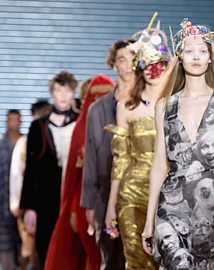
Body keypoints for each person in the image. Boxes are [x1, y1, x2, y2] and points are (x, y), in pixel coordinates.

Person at [142, 18, 214, 270]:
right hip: (170, 203)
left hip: (208, 207)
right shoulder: (164, 106)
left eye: (202, 50)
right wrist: (149, 220)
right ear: (179, 57)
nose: (196, 56)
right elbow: (159, 164)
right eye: (189, 51)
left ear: (210, 58)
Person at [104, 21, 172, 270]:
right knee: (134, 260)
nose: (154, 70)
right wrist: (111, 207)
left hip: (169, 196)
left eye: (160, 64)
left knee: (165, 260)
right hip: (131, 193)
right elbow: (119, 160)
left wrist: (162, 39)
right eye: (148, 65)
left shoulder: (176, 106)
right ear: (140, 68)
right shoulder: (126, 108)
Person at [45, 75, 115, 270]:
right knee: (94, 256)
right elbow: (74, 176)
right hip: (87, 202)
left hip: (119, 198)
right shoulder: (81, 128)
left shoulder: (125, 120)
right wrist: (74, 210)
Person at [80, 38, 135, 270]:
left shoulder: (152, 104)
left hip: (140, 194)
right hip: (105, 197)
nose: (128, 64)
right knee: (111, 259)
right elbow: (90, 159)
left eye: (133, 58)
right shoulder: (97, 109)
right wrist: (89, 205)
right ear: (114, 65)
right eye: (122, 59)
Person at [19, 71, 79, 266]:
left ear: (73, 92)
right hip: (46, 200)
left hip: (74, 198)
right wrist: (28, 208)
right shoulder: (39, 126)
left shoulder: (80, 123)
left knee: (73, 253)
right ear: (52, 93)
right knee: (46, 251)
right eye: (58, 90)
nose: (63, 95)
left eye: (67, 90)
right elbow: (31, 170)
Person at [9, 101, 49, 270]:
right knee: (28, 249)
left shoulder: (54, 136)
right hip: (28, 204)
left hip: (49, 203)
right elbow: (16, 174)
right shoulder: (24, 143)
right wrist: (16, 203)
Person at [0, 110, 22, 270]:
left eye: (17, 119)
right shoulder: (1, 146)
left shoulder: (26, 144)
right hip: (2, 204)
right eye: (11, 119)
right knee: (5, 244)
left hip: (23, 203)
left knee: (24, 244)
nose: (14, 123)